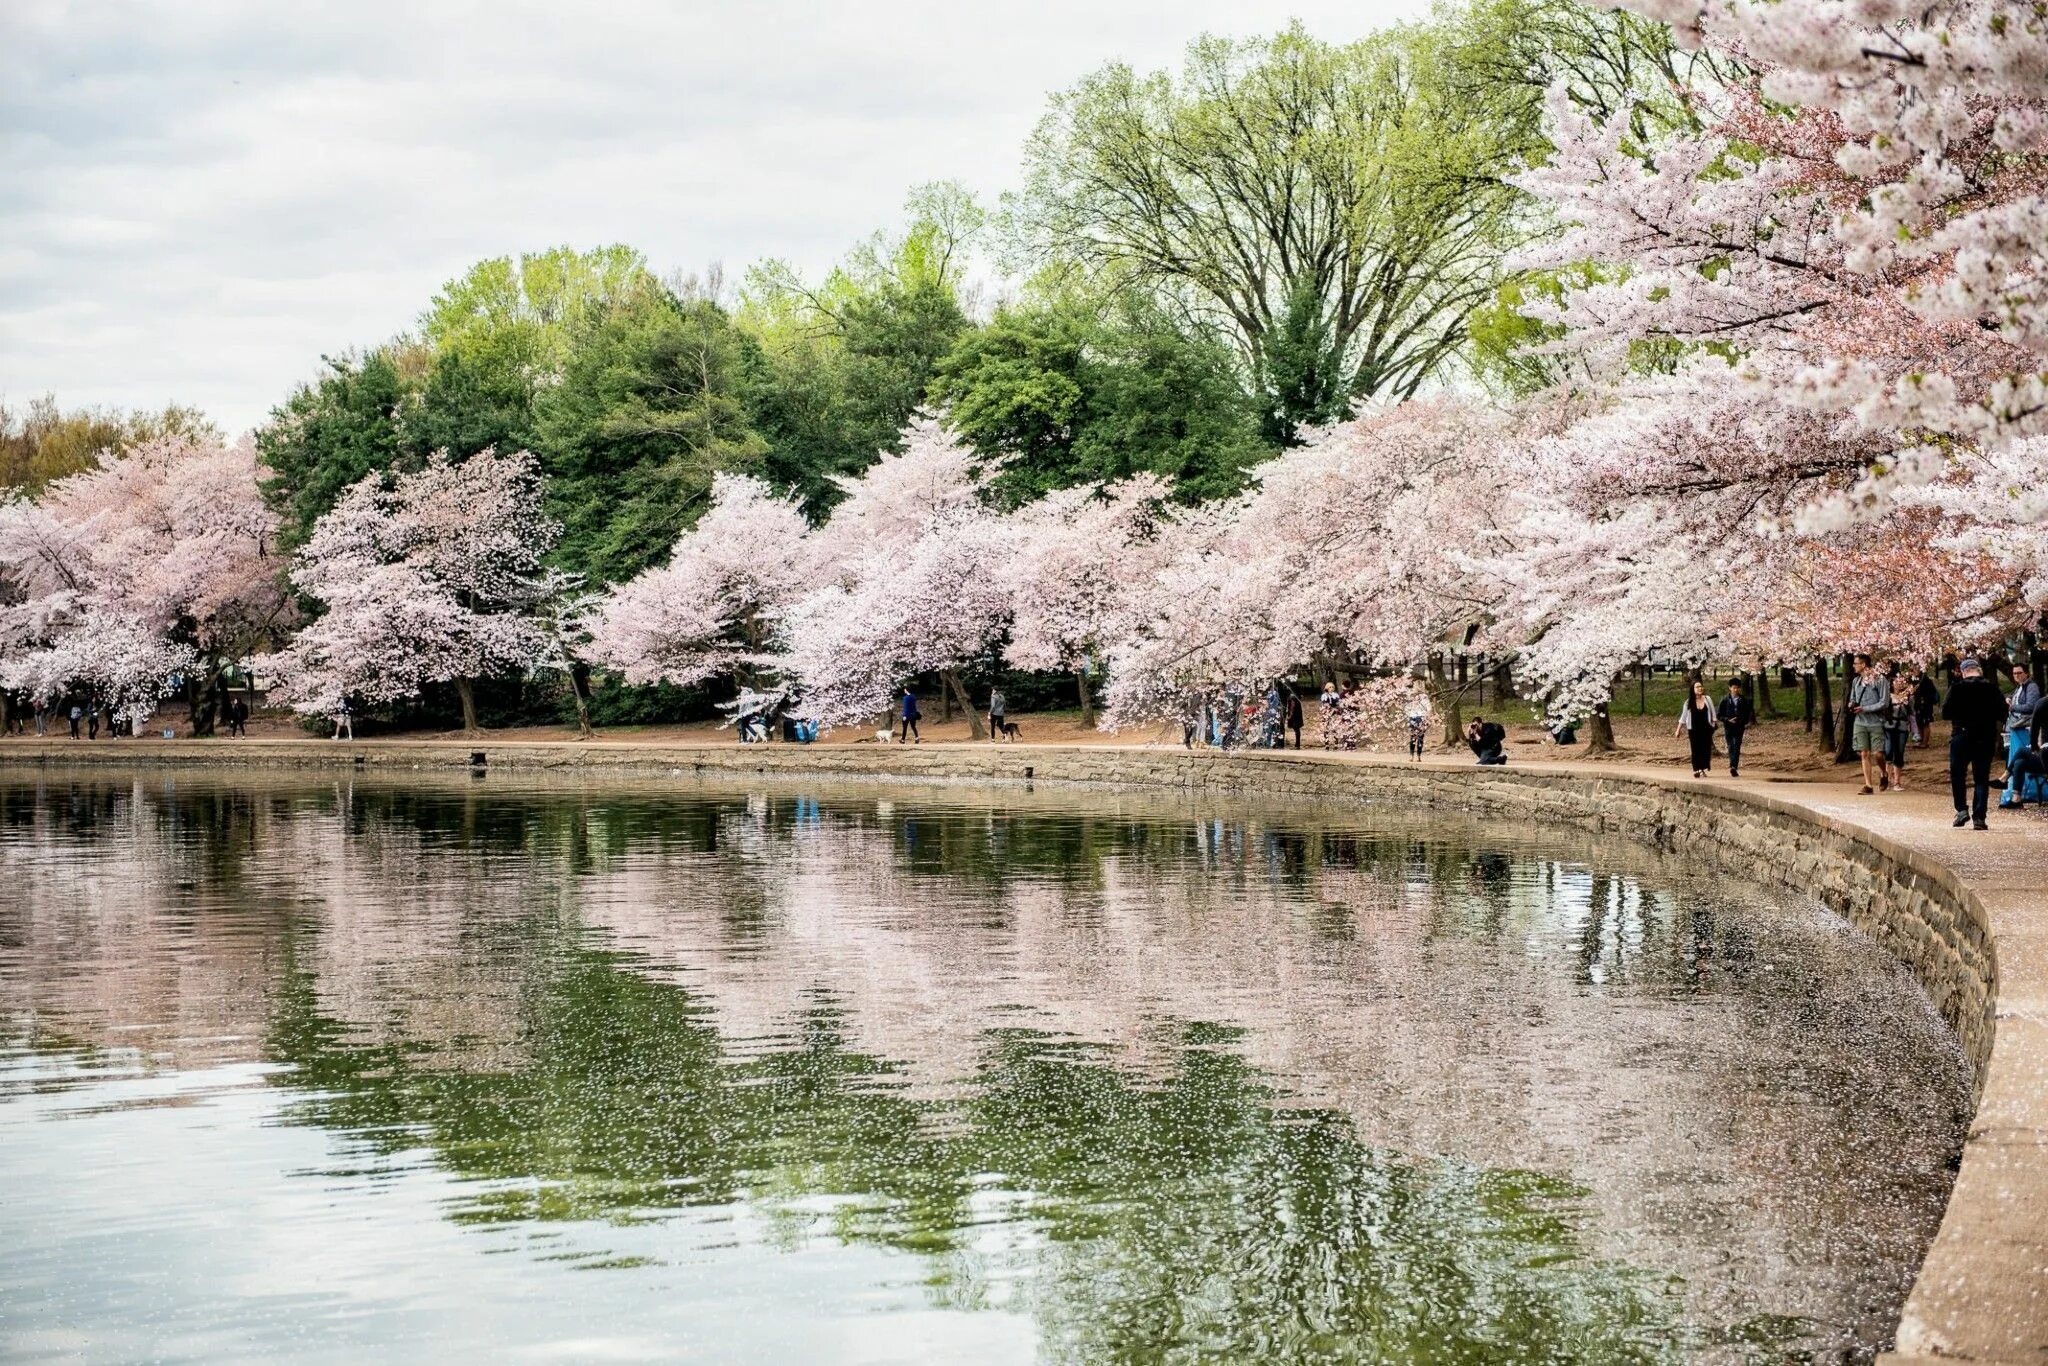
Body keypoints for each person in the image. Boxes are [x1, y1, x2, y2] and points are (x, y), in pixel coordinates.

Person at [1942, 657, 2005, 829]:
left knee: (1958, 774)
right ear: (1979, 670)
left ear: (1963, 672)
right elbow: (2002, 713)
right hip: (1985, 736)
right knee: (1981, 777)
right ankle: (1979, 817)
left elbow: (1945, 712)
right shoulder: (1992, 688)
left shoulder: (1956, 688)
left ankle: (1961, 809)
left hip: (1961, 735)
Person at [1846, 654, 1890, 794]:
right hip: (1860, 721)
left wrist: (1866, 708)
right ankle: (1868, 785)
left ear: (1863, 664)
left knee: (1878, 754)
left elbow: (1884, 702)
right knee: (1864, 753)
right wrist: (1851, 704)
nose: (1854, 666)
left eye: (1856, 663)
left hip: (1876, 721)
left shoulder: (1880, 679)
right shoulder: (1856, 681)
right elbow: (1852, 697)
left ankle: (1884, 773)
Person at [2000, 662, 2040, 809]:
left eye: (2019, 673)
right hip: (2016, 729)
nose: (2016, 676)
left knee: (2020, 755)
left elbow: (2031, 706)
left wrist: (2012, 706)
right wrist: (2008, 699)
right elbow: (2014, 697)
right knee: (2016, 759)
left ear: (2026, 673)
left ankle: (2011, 783)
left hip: (2025, 729)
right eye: (2014, 673)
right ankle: (2014, 795)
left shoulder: (2032, 687)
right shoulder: (2019, 687)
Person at [1675, 679, 1716, 777]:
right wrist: (1678, 730)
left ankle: (1703, 768)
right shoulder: (1688, 702)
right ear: (1692, 689)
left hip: (1706, 728)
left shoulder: (1707, 699)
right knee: (1695, 749)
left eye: (1701, 686)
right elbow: (1683, 717)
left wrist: (1713, 725)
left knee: (1705, 749)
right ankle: (1697, 769)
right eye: (1697, 687)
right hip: (1693, 729)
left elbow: (1713, 713)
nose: (1700, 688)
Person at [1716, 678, 1754, 778]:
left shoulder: (1743, 700)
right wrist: (1727, 720)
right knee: (1730, 746)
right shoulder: (1725, 700)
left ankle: (1734, 767)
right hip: (1728, 726)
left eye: (1737, 688)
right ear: (1730, 688)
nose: (1736, 690)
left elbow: (1747, 713)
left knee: (1737, 746)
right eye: (1734, 688)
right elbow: (1719, 715)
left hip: (1739, 727)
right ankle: (1732, 765)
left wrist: (1743, 722)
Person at [1883, 673, 1915, 792]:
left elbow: (1911, 713)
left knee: (1899, 752)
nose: (1899, 684)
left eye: (1901, 681)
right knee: (1888, 751)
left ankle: (1897, 781)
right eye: (1896, 681)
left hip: (1902, 727)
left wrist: (1914, 729)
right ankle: (1887, 779)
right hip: (1889, 726)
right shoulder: (1888, 696)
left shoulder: (1908, 696)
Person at [1911, 669, 1940, 747]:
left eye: (1915, 670)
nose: (1914, 671)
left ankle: (1925, 742)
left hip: (1926, 705)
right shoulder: (1915, 681)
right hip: (1918, 704)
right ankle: (1921, 740)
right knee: (1919, 722)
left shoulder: (1926, 680)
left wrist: (1924, 701)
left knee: (1925, 723)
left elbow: (1931, 693)